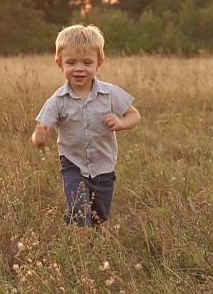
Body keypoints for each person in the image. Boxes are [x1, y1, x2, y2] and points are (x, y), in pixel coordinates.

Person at [31, 24, 141, 227]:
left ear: (99, 63)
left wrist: (121, 122)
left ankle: (93, 242)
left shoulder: (110, 93)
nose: (79, 68)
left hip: (104, 165)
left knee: (100, 217)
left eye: (87, 62)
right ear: (59, 64)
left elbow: (134, 115)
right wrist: (39, 136)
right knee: (80, 209)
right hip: (72, 164)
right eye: (71, 62)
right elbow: (42, 127)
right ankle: (77, 235)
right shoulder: (58, 100)